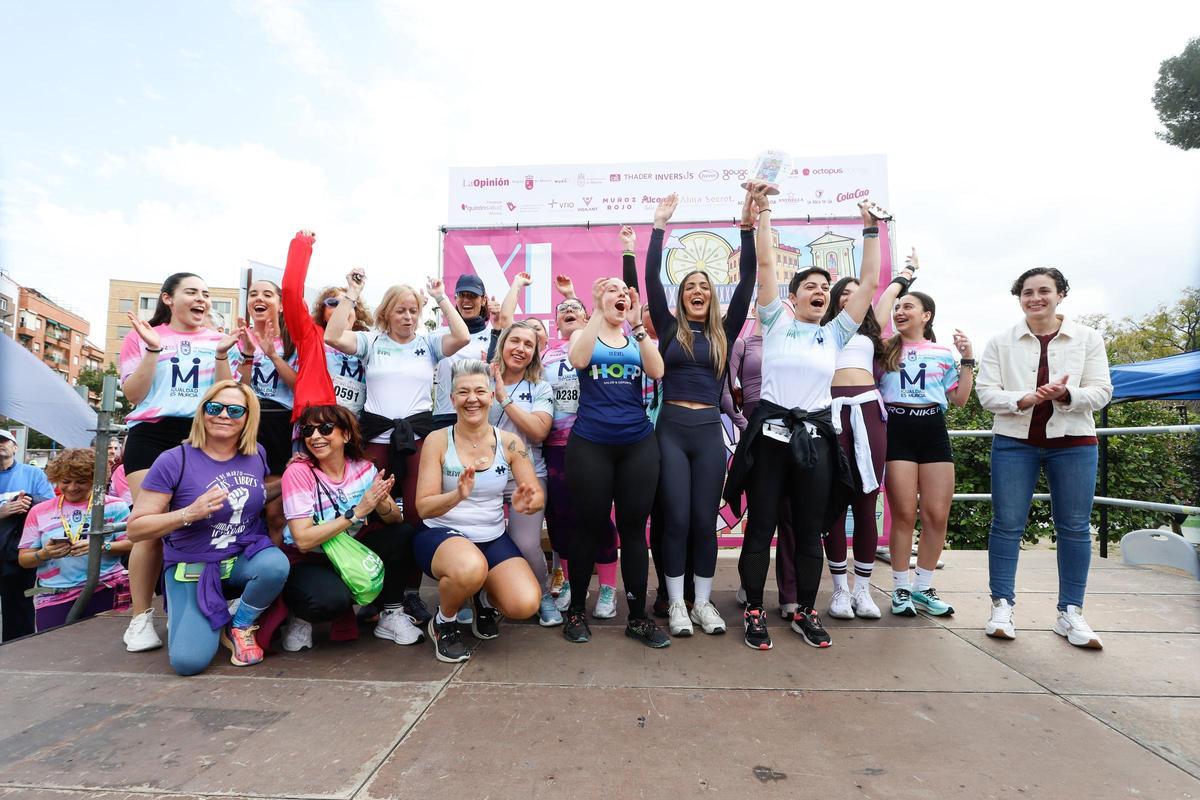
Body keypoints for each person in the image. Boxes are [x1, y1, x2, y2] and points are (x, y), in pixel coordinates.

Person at [723, 191, 881, 651]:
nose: (817, 291)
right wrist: (765, 213)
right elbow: (767, 266)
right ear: (791, 298)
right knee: (761, 527)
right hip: (770, 441)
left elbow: (869, 282)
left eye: (823, 288)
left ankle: (806, 611)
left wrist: (870, 228)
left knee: (811, 529)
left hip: (814, 441)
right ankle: (754, 609)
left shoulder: (835, 333)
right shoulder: (774, 324)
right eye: (809, 286)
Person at [977, 267, 1111, 648]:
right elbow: (986, 393)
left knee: (1074, 527)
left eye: (1044, 291)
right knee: (1006, 524)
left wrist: (1066, 396)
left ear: (1061, 294)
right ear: (1019, 297)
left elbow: (1102, 391)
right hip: (1014, 442)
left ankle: (1071, 612)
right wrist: (1025, 399)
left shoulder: (1087, 338)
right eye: (1027, 292)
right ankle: (1001, 606)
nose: (1036, 298)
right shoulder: (1001, 341)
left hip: (1074, 441)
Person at [324, 271, 469, 624]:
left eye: (413, 311)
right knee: (373, 515)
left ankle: (410, 594)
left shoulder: (429, 343)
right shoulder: (371, 341)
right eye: (401, 311)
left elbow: (462, 336)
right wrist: (354, 292)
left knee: (418, 516)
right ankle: (377, 592)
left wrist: (440, 297)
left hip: (418, 439)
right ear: (387, 313)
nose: (408, 317)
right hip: (375, 440)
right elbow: (332, 336)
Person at [643, 191, 755, 637]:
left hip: (708, 431)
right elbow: (651, 278)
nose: (696, 292)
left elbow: (747, 281)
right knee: (677, 519)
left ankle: (703, 604)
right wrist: (658, 227)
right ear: (680, 296)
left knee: (704, 520)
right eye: (689, 287)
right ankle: (675, 604)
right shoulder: (668, 328)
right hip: (670, 429)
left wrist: (746, 229)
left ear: (712, 297)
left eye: (704, 287)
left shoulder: (726, 332)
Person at [127, 380, 289, 676]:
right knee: (189, 662)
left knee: (275, 565)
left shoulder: (256, 455)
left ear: (247, 418)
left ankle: (239, 624)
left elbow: (258, 495)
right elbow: (136, 529)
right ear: (202, 413)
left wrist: (293, 477)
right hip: (193, 566)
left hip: (241, 559)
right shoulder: (174, 459)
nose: (224, 415)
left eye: (235, 410)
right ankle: (199, 614)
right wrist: (189, 513)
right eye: (215, 407)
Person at [118, 272, 242, 653]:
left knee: (199, 522)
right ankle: (140, 619)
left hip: (200, 435)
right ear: (168, 299)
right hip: (151, 434)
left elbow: (229, 393)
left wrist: (222, 354)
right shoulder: (141, 336)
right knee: (152, 525)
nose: (201, 298)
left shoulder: (218, 341)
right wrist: (153, 349)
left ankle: (183, 606)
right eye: (192, 292)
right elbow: (134, 394)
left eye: (206, 293)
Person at [564, 266, 669, 648]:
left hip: (637, 444)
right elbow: (578, 360)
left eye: (624, 291)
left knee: (633, 531)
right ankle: (576, 610)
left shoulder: (634, 340)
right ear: (599, 298)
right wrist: (595, 309)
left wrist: (639, 326)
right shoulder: (585, 332)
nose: (620, 294)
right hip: (591, 443)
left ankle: (637, 618)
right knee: (588, 528)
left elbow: (657, 370)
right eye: (611, 290)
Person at [414, 360, 543, 662]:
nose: (472, 398)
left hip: (491, 536)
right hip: (441, 535)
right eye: (463, 392)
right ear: (452, 399)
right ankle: (443, 622)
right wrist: (457, 495)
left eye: (479, 391)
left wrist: (529, 503)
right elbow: (423, 506)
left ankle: (483, 597)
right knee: (470, 567)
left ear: (491, 396)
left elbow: (534, 494)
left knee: (525, 604)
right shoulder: (437, 440)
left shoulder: (510, 442)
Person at [819, 250, 919, 620]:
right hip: (829, 412)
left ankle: (863, 590)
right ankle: (840, 591)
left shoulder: (871, 326)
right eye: (842, 293)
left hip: (867, 410)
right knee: (834, 499)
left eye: (855, 292)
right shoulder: (822, 328)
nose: (850, 297)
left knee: (866, 497)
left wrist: (909, 269)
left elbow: (891, 289)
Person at [279, 404, 422, 651]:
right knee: (332, 600)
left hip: (351, 551)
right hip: (310, 558)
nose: (315, 436)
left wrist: (382, 502)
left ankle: (391, 613)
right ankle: (301, 616)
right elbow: (302, 539)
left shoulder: (363, 467)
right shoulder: (298, 472)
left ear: (346, 435)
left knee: (404, 534)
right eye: (308, 430)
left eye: (325, 429)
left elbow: (395, 521)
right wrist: (358, 512)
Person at [878, 291, 974, 617]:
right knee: (904, 514)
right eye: (897, 307)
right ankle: (900, 588)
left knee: (936, 515)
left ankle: (923, 587)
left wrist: (967, 359)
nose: (900, 311)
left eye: (908, 307)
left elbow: (960, 399)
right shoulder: (884, 351)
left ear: (926, 315)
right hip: (898, 431)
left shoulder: (942, 354)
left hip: (933, 431)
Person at [488, 322, 558, 625]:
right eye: (514, 341)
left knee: (527, 543)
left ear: (534, 353)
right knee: (478, 537)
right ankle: (477, 598)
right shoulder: (481, 377)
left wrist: (504, 397)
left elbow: (540, 430)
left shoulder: (540, 386)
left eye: (528, 345)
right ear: (502, 344)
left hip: (526, 474)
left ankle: (542, 595)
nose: (520, 348)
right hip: (484, 474)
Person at [17, 448, 132, 631]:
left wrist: (102, 546)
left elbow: (133, 544)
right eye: (65, 481)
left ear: (95, 480)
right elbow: (24, 559)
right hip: (55, 595)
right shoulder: (39, 511)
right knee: (56, 653)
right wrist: (43, 554)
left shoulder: (114, 506)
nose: (72, 487)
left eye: (81, 482)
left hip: (106, 588)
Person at [278, 231, 372, 418]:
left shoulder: (369, 341)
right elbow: (290, 291)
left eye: (347, 302)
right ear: (322, 311)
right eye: (333, 303)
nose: (340, 309)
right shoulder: (310, 336)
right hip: (316, 422)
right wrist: (302, 245)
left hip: (357, 426)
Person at [238, 279, 298, 544]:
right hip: (245, 421)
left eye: (267, 294)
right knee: (239, 505)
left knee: (275, 512)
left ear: (281, 305)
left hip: (280, 423)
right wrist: (249, 356)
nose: (259, 298)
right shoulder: (238, 337)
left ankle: (279, 573)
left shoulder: (293, 339)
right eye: (253, 294)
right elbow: (237, 390)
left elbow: (300, 385)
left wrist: (273, 355)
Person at [0, 428, 55, 640]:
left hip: (18, 552)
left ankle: (18, 647)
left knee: (18, 606)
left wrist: (30, 503)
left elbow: (50, 508)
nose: (0, 445)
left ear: (15, 447)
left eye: (5, 441)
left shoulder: (33, 474)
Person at [432, 274, 498, 428]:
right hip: (445, 414)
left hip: (480, 413)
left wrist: (500, 325)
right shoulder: (438, 335)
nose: (466, 300)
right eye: (462, 295)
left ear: (483, 300)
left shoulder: (495, 334)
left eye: (472, 296)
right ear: (455, 299)